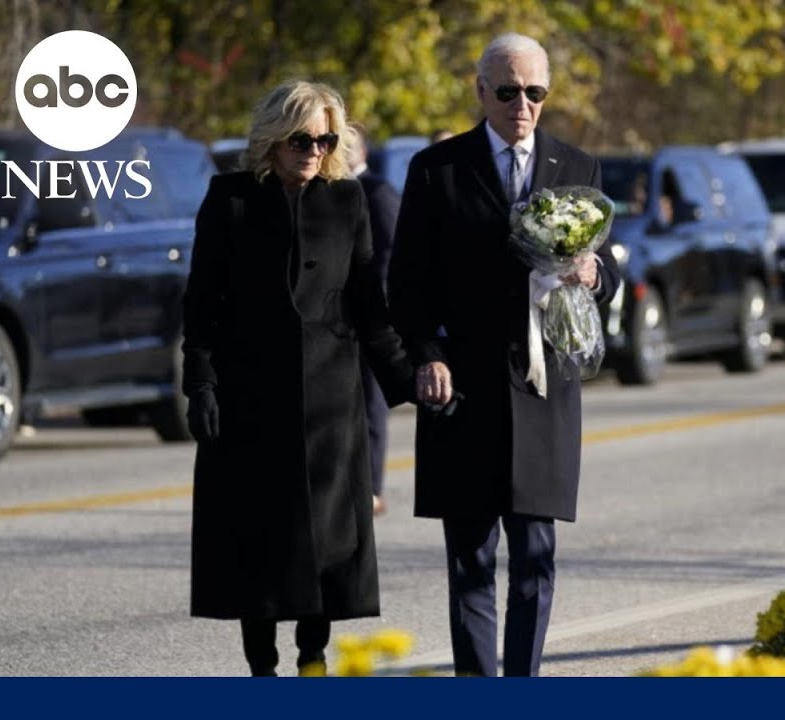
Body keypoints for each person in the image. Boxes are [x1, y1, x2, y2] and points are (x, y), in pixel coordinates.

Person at [388, 32, 620, 677]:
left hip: (543, 388)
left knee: (535, 556)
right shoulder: (437, 169)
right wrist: (427, 354)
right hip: (463, 387)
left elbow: (608, 271)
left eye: (536, 92)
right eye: (509, 90)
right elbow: (406, 283)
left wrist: (591, 273)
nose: (523, 104)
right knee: (469, 558)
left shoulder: (577, 167)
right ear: (481, 91)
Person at [181, 80, 415, 676]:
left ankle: (313, 659)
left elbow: (368, 304)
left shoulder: (347, 201)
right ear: (273, 139)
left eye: (325, 139)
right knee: (254, 546)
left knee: (328, 546)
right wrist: (200, 384)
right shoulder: (229, 199)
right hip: (249, 404)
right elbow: (202, 303)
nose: (314, 150)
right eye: (302, 139)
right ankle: (262, 668)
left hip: (331, 407)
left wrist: (408, 379)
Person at [347, 123, 403, 516]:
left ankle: (371, 486)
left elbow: (392, 255)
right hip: (339, 317)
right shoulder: (331, 192)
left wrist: (378, 305)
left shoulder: (377, 191)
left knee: (370, 401)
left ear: (362, 151)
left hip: (373, 314)